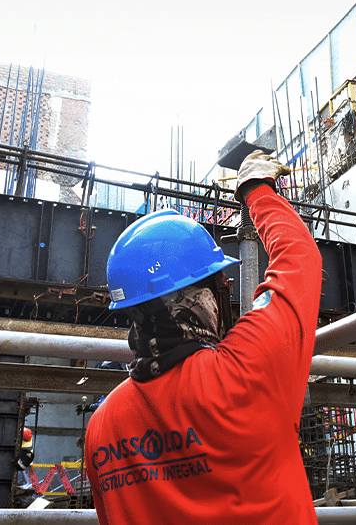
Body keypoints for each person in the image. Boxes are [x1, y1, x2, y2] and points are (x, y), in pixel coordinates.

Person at [84, 150, 322, 524]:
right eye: (217, 286)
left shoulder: (102, 427)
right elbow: (299, 259)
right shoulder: (248, 370)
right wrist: (256, 189)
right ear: (199, 297)